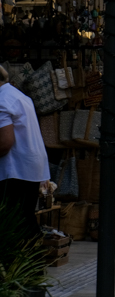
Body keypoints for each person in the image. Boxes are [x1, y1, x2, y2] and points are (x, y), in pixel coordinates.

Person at [0, 64, 49, 242]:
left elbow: (5, 142)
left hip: (15, 169)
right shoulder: (16, 95)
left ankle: (31, 263)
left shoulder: (2, 101)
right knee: (25, 215)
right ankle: (34, 263)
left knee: (16, 217)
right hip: (30, 165)